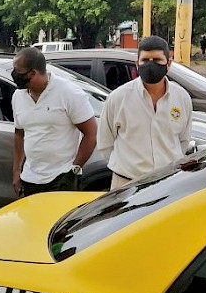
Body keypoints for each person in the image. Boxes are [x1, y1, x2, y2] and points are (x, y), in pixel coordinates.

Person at [98, 35, 193, 190]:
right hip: (126, 184)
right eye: (145, 60)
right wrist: (127, 167)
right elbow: (105, 144)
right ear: (137, 64)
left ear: (168, 63)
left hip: (168, 184)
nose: (150, 65)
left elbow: (183, 140)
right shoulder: (118, 98)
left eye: (157, 60)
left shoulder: (182, 97)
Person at [11, 47, 97, 196]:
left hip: (61, 177)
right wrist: (17, 170)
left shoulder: (68, 92)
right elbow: (19, 134)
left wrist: (74, 169)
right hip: (30, 178)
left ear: (33, 73)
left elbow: (91, 133)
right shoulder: (18, 96)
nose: (14, 75)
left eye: (18, 71)